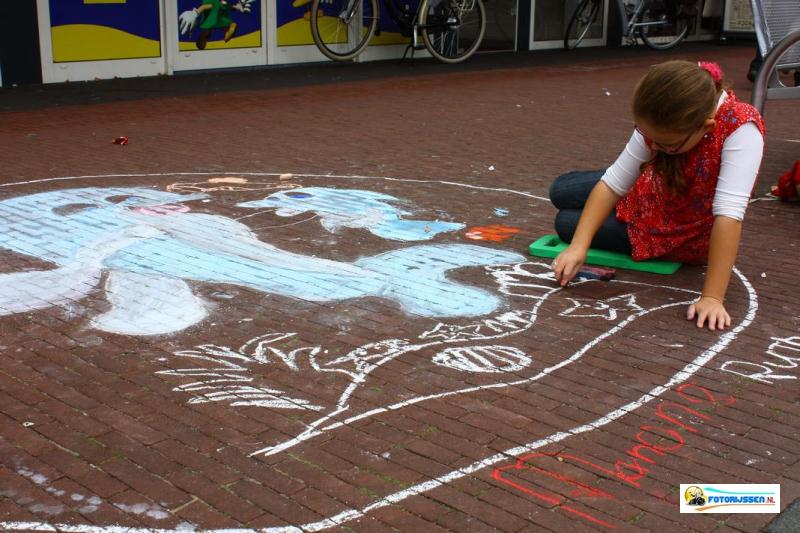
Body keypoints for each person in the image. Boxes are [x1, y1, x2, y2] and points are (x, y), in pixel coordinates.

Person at [549, 60, 765, 331]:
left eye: (665, 144)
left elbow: (728, 216)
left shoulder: (741, 129)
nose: (654, 146)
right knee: (561, 190)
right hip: (654, 190)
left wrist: (712, 297)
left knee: (566, 223)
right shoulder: (665, 112)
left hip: (682, 231)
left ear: (706, 127)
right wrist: (579, 247)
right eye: (650, 139)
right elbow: (614, 183)